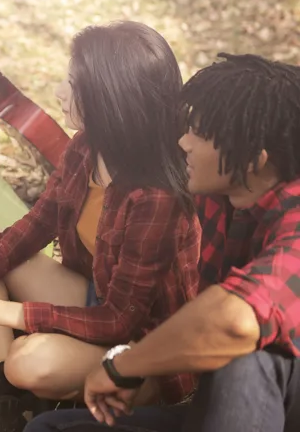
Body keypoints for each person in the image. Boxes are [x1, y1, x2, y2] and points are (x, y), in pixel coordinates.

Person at [0, 21, 202, 431]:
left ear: (110, 99)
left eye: (73, 83)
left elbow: (120, 321)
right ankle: (9, 393)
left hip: (144, 349)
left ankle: (22, 378)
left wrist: (2, 311)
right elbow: (40, 222)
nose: (60, 91)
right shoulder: (88, 146)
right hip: (93, 294)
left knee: (31, 360)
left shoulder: (156, 198)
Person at [28, 53, 300, 432]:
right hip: (212, 410)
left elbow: (235, 322)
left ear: (255, 159)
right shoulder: (220, 195)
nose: (184, 142)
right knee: (48, 428)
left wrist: (123, 367)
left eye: (201, 134)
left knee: (250, 354)